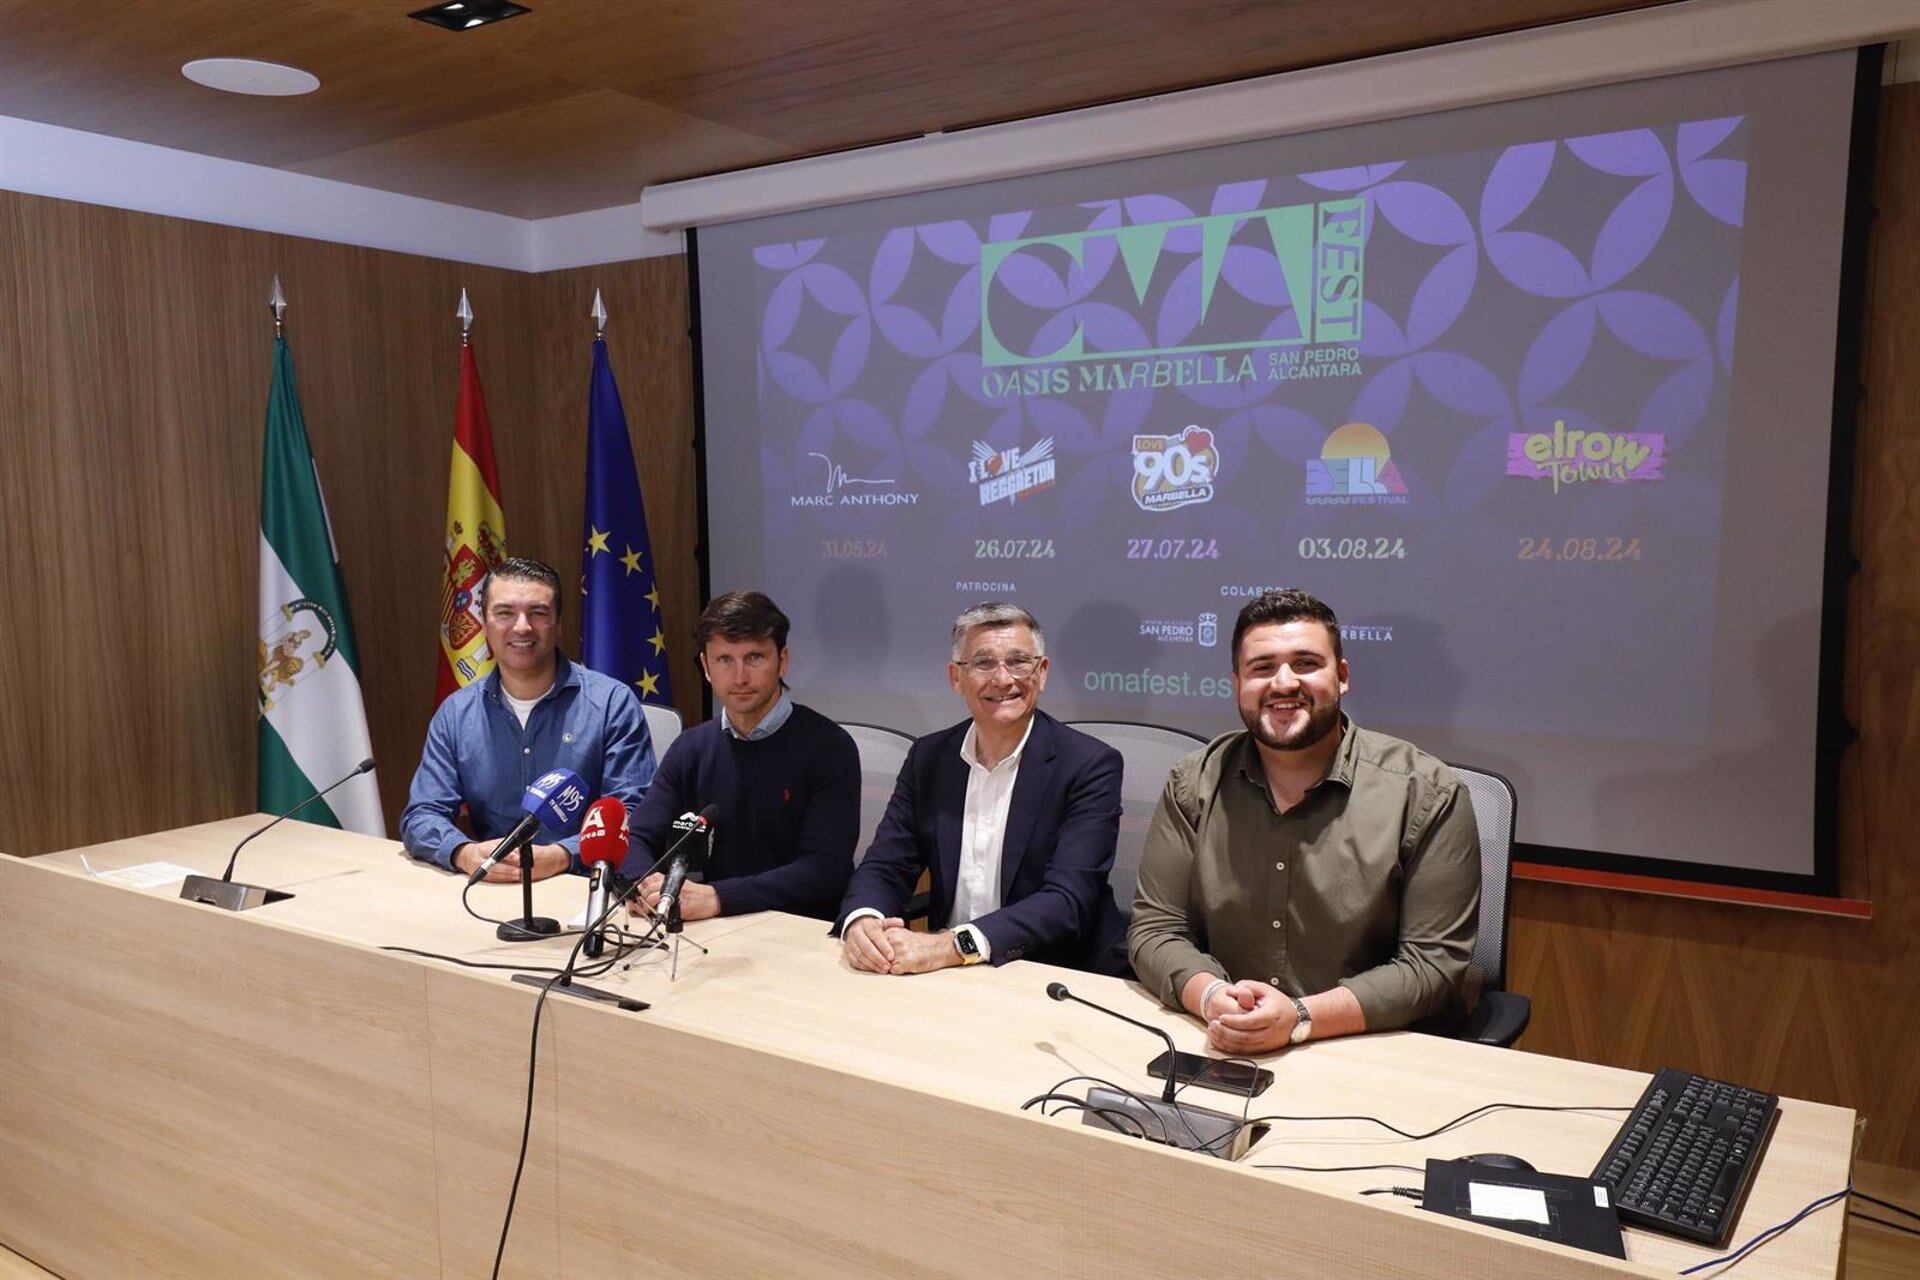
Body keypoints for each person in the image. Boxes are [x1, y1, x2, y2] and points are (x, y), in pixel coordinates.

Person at [1128, 588, 1479, 1053]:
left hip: (1375, 1048)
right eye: (1262, 668)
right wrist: (1212, 997)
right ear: (1237, 684)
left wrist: (1300, 1017)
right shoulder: (1194, 782)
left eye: (1306, 663)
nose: (1283, 683)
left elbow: (1433, 964)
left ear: (1343, 676)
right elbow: (1156, 928)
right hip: (1221, 1039)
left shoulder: (1427, 793)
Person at [838, 603, 1128, 976]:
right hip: (950, 975)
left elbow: (1068, 900)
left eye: (1019, 662)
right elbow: (885, 865)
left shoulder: (1090, 765)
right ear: (955, 677)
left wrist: (951, 945)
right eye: (984, 663)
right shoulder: (928, 758)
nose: (1003, 679)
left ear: (1042, 673)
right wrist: (864, 921)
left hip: (1054, 973)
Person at [400, 556, 656, 880]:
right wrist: (463, 853)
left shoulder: (611, 704)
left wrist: (562, 855)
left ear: (559, 624)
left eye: (538, 613)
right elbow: (422, 815)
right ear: (485, 624)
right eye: (505, 613)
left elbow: (634, 815)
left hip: (585, 887)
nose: (522, 627)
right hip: (492, 888)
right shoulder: (456, 714)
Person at [621, 591, 861, 921]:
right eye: (724, 660)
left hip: (797, 931)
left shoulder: (830, 748)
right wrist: (644, 886)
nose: (740, 677)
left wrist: (720, 898)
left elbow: (824, 869)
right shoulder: (691, 748)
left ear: (783, 660)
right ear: (706, 666)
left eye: (755, 658)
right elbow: (637, 835)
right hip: (709, 929)